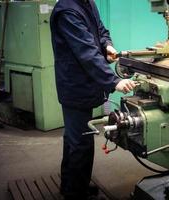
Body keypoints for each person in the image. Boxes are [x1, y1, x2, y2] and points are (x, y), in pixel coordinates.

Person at [50, 0, 136, 199]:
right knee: (80, 143)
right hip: (75, 86)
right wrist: (113, 81)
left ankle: (71, 185)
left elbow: (100, 30)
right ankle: (75, 193)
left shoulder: (88, 3)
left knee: (74, 139)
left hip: (85, 84)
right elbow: (86, 51)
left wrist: (107, 45)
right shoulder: (67, 10)